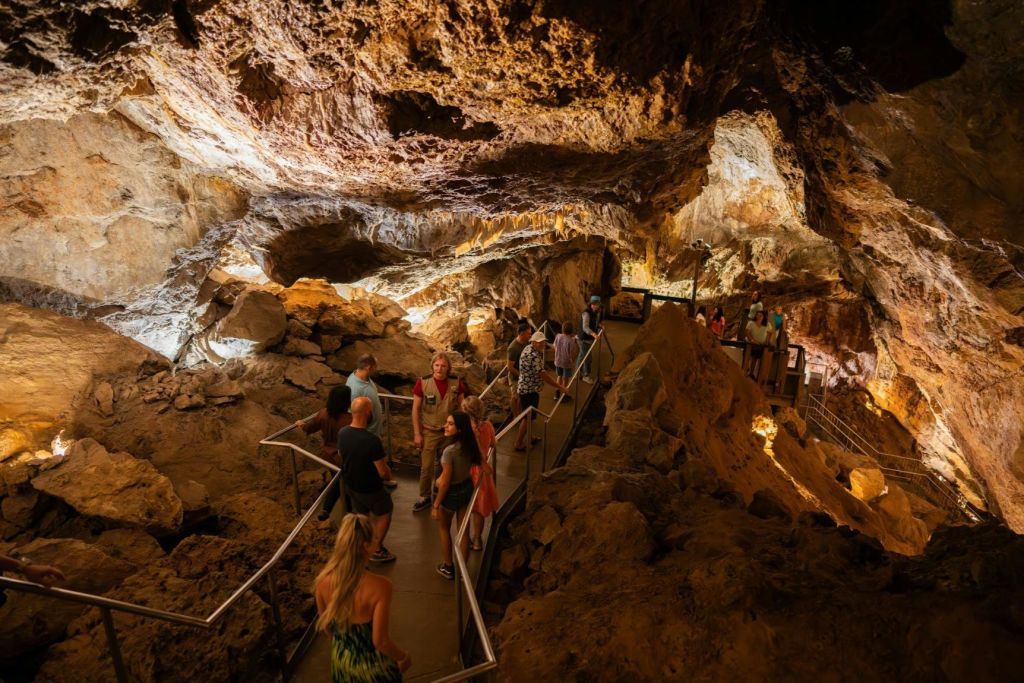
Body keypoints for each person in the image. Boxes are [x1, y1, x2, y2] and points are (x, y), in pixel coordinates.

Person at [314, 514, 411, 681]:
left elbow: (328, 629)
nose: (377, 540)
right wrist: (403, 657)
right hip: (373, 669)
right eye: (374, 537)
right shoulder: (381, 586)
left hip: (341, 662)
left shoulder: (322, 581)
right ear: (366, 546)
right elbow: (380, 641)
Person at [336, 397, 396, 563]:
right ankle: (376, 549)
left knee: (362, 515)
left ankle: (361, 544)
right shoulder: (371, 441)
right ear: (367, 413)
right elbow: (383, 472)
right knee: (385, 511)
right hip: (370, 487)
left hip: (351, 484)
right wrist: (389, 474)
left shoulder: (343, 432)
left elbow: (341, 455)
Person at [411, 353, 468, 513]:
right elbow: (415, 409)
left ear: (448, 368)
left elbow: (462, 407)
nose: (439, 369)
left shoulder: (456, 383)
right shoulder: (422, 382)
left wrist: (464, 429)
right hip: (429, 431)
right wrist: (417, 433)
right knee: (426, 467)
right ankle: (424, 496)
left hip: (449, 433)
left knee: (444, 465)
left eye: (443, 366)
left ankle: (439, 490)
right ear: (432, 366)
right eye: (437, 365)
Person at [432, 411, 481, 580]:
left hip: (450, 493)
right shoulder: (470, 444)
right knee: (464, 531)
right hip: (466, 487)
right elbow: (484, 467)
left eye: (450, 424)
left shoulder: (449, 451)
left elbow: (445, 482)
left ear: (459, 429)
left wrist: (436, 504)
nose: (445, 426)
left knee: (444, 528)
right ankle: (463, 571)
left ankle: (448, 566)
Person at [296, 385, 353, 521]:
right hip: (343, 458)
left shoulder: (323, 414)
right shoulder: (349, 420)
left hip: (328, 456)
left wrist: (301, 424)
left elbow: (309, 428)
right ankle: (347, 514)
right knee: (342, 483)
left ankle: (328, 510)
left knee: (339, 482)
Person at [346, 354, 397, 489]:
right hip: (367, 432)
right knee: (371, 460)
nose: (376, 369)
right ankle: (376, 484)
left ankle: (381, 479)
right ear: (368, 367)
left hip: (374, 429)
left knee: (376, 457)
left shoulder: (365, 378)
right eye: (375, 366)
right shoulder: (355, 388)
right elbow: (354, 413)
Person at [514, 331, 563, 451]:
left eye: (543, 342)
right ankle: (518, 443)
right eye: (540, 342)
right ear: (534, 342)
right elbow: (543, 375)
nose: (543, 344)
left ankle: (530, 437)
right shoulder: (534, 356)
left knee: (530, 417)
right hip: (529, 390)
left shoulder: (528, 348)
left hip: (525, 387)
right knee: (527, 418)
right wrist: (560, 387)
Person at [462, 396, 498, 551]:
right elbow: (493, 444)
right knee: (479, 508)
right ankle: (477, 539)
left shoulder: (464, 429)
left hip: (466, 469)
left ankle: (464, 539)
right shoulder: (488, 425)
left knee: (465, 507)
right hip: (481, 472)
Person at [505, 322, 533, 416]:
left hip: (523, 375)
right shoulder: (513, 348)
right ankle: (515, 416)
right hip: (516, 377)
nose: (530, 335)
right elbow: (510, 367)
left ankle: (519, 412)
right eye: (528, 333)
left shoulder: (525, 342)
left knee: (521, 396)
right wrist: (521, 376)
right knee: (515, 397)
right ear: (521, 333)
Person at [576, 295, 603, 383]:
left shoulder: (595, 312)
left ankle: (577, 373)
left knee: (582, 355)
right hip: (583, 338)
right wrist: (593, 334)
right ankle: (586, 376)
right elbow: (585, 327)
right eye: (595, 304)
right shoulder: (586, 313)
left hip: (587, 338)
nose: (597, 306)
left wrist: (599, 326)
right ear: (591, 304)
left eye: (598, 304)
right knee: (587, 358)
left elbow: (594, 322)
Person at [553, 320, 578, 399]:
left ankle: (557, 393)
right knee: (565, 378)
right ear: (571, 331)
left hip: (558, 360)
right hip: (566, 363)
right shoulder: (571, 341)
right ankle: (564, 394)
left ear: (562, 329)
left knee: (559, 376)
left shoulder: (558, 336)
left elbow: (554, 346)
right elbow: (572, 352)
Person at [744, 309, 772, 379]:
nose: (758, 317)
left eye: (760, 315)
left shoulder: (767, 324)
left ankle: (755, 375)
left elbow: (770, 333)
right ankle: (748, 372)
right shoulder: (751, 323)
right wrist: (752, 340)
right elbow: (747, 332)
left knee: (759, 357)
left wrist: (767, 341)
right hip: (751, 343)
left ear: (763, 317)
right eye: (757, 315)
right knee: (752, 356)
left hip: (761, 344)